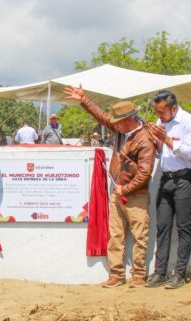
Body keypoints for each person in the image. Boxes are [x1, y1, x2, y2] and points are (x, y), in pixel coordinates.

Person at [64, 85, 155, 288]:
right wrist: (83, 100)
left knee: (139, 235)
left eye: (119, 122)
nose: (115, 125)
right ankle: (117, 273)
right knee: (116, 235)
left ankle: (138, 274)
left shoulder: (145, 140)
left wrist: (126, 188)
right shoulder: (126, 131)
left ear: (128, 120)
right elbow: (103, 117)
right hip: (121, 190)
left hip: (134, 194)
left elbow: (145, 173)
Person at [145, 90, 191, 289]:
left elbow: (189, 153)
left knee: (183, 227)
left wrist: (166, 138)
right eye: (157, 111)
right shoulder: (161, 123)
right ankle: (160, 271)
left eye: (161, 111)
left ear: (173, 108)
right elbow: (162, 153)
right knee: (163, 226)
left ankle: (180, 273)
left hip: (184, 178)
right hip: (166, 178)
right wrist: (156, 141)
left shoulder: (188, 121)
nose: (159, 115)